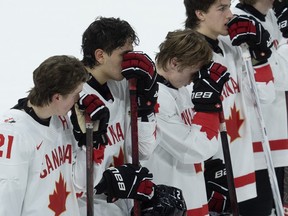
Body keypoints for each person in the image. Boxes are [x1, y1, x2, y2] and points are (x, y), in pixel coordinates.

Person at [184, 0, 276, 214]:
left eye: (230, 6)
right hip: (213, 173)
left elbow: (265, 95)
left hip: (246, 168)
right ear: (200, 13)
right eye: (222, 8)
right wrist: (207, 164)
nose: (230, 14)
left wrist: (259, 54)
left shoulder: (232, 47)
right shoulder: (188, 54)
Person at [71, 17, 158, 215]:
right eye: (124, 54)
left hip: (122, 205)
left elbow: (144, 149)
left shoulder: (123, 86)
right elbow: (74, 178)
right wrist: (108, 183)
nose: (130, 61)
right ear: (100, 55)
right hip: (89, 207)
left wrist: (147, 102)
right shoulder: (75, 98)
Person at [142, 28, 230, 215]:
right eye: (193, 73)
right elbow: (193, 149)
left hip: (192, 195)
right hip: (170, 201)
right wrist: (208, 105)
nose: (193, 81)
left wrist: (213, 168)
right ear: (174, 62)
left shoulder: (180, 90)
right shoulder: (156, 97)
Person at [0, 55, 91, 215]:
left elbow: (78, 185)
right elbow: (6, 205)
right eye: (75, 94)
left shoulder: (61, 118)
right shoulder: (12, 134)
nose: (78, 99)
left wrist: (87, 142)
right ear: (57, 97)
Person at [230, 0, 288, 215]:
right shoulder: (239, 25)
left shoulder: (274, 15)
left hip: (277, 140)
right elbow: (279, 80)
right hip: (256, 147)